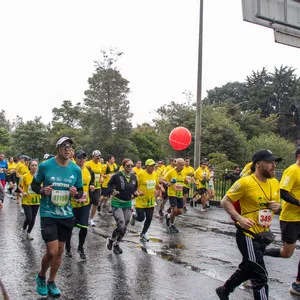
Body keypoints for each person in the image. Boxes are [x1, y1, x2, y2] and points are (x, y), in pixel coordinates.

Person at [216, 149, 281, 300]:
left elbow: (274, 205)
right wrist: (240, 218)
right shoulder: (245, 182)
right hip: (247, 235)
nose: (274, 165)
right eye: (270, 162)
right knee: (260, 276)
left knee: (247, 269)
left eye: (275, 162)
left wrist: (276, 206)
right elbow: (225, 201)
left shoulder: (275, 183)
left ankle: (224, 290)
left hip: (263, 235)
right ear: (258, 165)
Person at [31, 136, 83, 297]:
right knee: (52, 251)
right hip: (48, 214)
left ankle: (51, 281)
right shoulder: (45, 166)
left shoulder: (76, 169)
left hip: (66, 215)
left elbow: (80, 190)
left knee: (60, 251)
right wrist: (42, 190)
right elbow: (34, 185)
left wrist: (76, 194)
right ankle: (41, 276)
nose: (67, 148)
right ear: (58, 149)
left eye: (70, 146)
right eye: (64, 146)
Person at [264, 147, 300, 296]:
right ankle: (259, 255)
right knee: (287, 253)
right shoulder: (292, 171)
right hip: (290, 218)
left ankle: (297, 284)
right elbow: (283, 192)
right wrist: (298, 203)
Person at [65, 150, 95, 259]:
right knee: (69, 228)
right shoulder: (70, 169)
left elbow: (92, 181)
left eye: (84, 158)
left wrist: (92, 186)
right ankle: (67, 248)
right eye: (79, 158)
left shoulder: (89, 170)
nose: (82, 160)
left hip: (84, 203)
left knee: (84, 227)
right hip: (71, 204)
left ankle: (80, 247)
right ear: (75, 158)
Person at [106, 158, 138, 254]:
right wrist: (112, 191)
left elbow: (134, 188)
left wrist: (135, 193)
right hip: (117, 203)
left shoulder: (133, 177)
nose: (130, 167)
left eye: (131, 165)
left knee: (124, 227)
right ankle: (111, 239)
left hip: (127, 203)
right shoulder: (117, 176)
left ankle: (116, 243)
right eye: (127, 166)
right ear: (123, 166)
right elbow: (109, 185)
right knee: (121, 224)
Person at [130, 159, 160, 241]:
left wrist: (160, 188)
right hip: (141, 200)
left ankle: (143, 233)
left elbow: (156, 185)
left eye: (153, 166)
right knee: (141, 218)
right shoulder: (140, 174)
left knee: (149, 218)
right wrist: (139, 191)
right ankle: (134, 216)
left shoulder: (154, 174)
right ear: (146, 166)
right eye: (151, 166)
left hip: (150, 200)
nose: (152, 167)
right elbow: (134, 186)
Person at [163, 158, 189, 233]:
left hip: (179, 194)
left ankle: (168, 216)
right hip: (172, 194)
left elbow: (185, 181)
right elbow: (162, 179)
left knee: (180, 211)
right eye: (181, 165)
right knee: (174, 210)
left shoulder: (183, 172)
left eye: (183, 165)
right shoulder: (171, 172)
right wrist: (168, 183)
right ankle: (171, 225)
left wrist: (187, 181)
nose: (183, 167)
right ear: (177, 164)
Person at [18, 159, 41, 240]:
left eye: (36, 165)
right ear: (29, 166)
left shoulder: (40, 177)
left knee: (33, 219)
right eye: (32, 165)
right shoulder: (24, 176)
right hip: (26, 200)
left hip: (37, 201)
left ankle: (28, 234)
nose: (34, 167)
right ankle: (23, 229)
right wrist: (23, 192)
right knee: (29, 218)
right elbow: (19, 186)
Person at [85, 150, 103, 226]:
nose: (98, 158)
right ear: (93, 157)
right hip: (89, 186)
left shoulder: (100, 164)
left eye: (99, 157)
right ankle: (85, 218)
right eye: (96, 157)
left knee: (96, 202)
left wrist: (101, 178)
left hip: (97, 186)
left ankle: (91, 219)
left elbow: (101, 173)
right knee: (87, 203)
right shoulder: (88, 163)